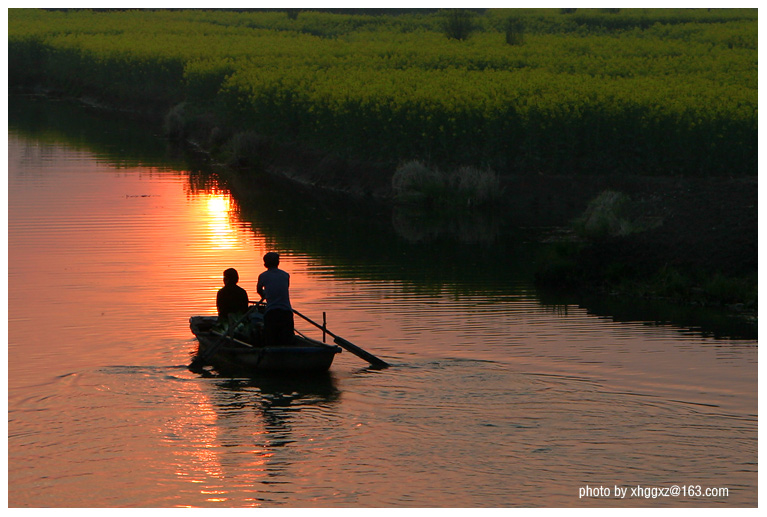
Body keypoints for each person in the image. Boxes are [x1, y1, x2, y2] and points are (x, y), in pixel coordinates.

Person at [256, 252, 295, 347]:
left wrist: (265, 296)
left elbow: (259, 289)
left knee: (271, 341)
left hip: (272, 312)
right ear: (278, 263)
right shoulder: (285, 275)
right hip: (287, 312)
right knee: (287, 341)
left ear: (265, 264)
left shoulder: (263, 276)